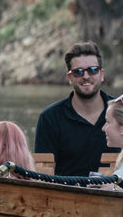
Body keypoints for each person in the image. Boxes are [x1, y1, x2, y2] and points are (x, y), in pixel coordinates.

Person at [34, 42, 112, 176]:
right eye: (78, 72)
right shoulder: (49, 118)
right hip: (66, 195)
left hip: (116, 193)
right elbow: (43, 173)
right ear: (69, 77)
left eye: (93, 70)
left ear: (102, 74)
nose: (86, 76)